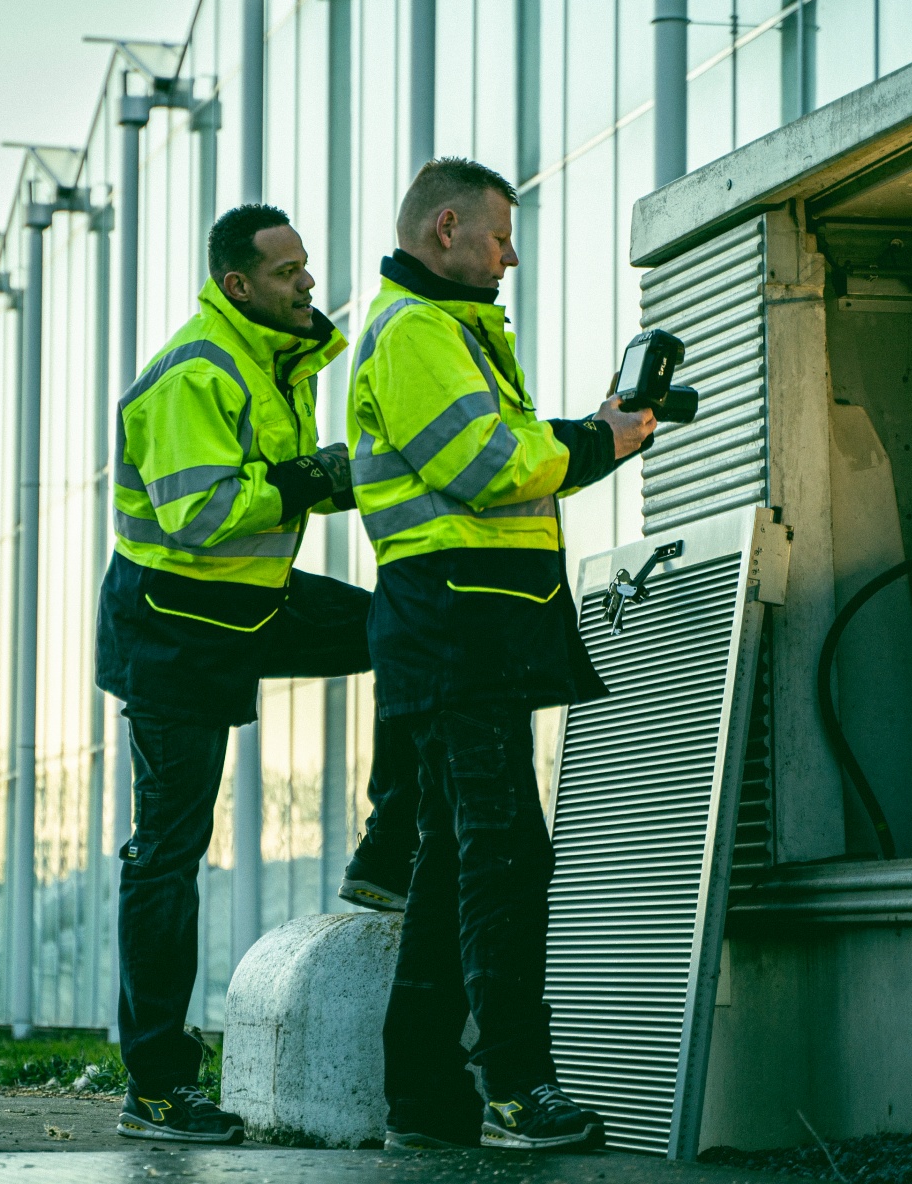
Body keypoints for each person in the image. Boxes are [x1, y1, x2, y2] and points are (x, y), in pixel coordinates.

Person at [346, 157, 655, 1152]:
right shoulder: (420, 334)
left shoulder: (453, 332)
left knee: (452, 866)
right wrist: (600, 440)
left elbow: (512, 461)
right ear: (446, 228)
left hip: (467, 630)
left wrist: (592, 432)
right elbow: (491, 467)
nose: (511, 253)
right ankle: (519, 1087)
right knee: (508, 853)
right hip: (458, 632)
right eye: (499, 234)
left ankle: (426, 1101)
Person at [98, 203, 389, 1144]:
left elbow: (273, 486)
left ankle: (391, 846)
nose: (308, 281)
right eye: (288, 270)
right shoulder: (196, 371)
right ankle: (155, 1085)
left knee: (410, 630)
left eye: (306, 265)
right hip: (176, 629)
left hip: (251, 602)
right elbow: (202, 514)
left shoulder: (274, 359)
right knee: (168, 851)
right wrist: (314, 478)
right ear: (237, 285)